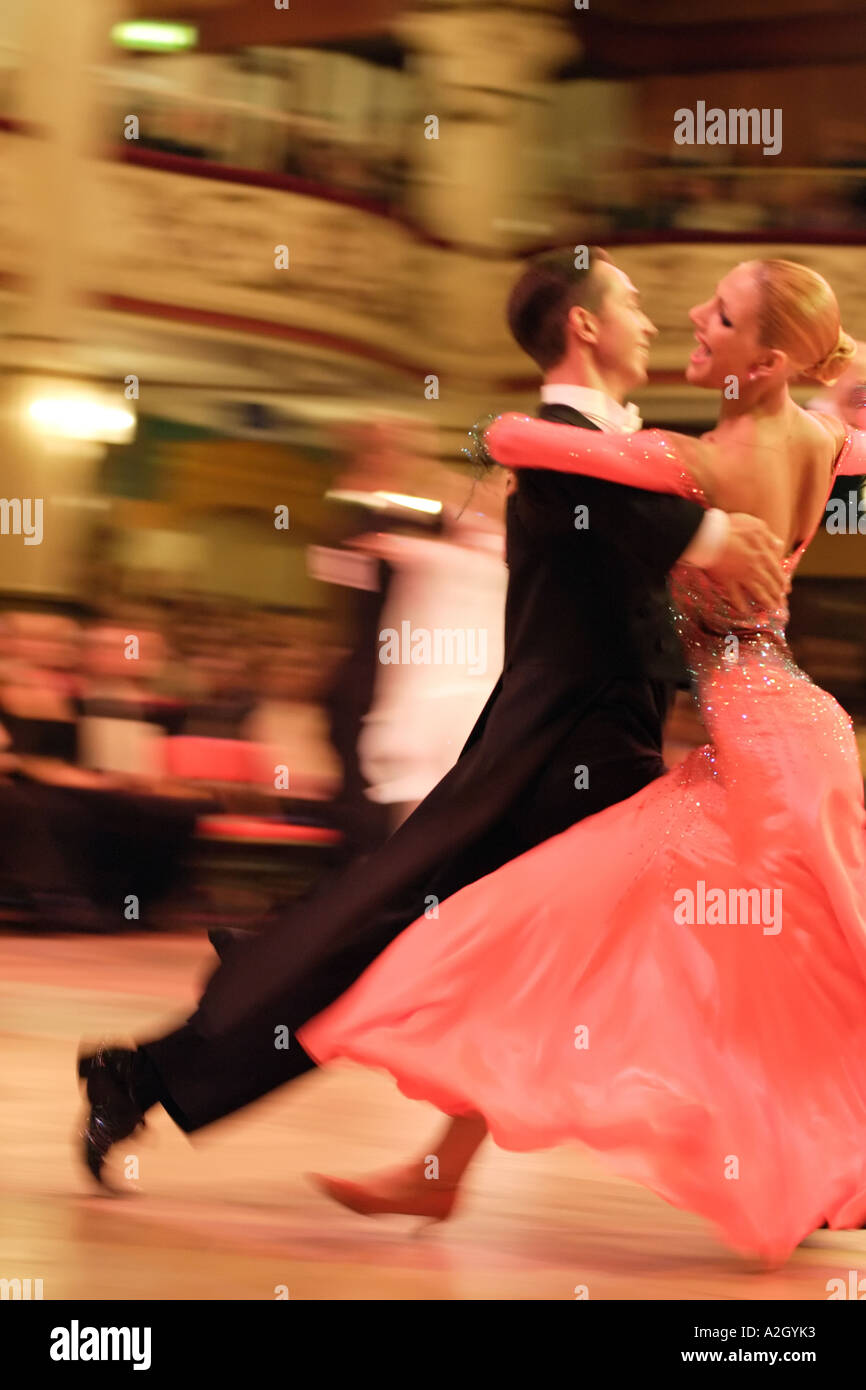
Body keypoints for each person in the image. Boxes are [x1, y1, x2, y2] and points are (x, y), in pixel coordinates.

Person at [77, 248, 784, 1181]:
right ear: (584, 324)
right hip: (566, 747)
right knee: (671, 936)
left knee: (414, 939)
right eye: (634, 303)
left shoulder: (599, 444)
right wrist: (719, 532)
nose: (653, 321)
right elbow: (622, 516)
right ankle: (785, 1154)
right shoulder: (560, 448)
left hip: (578, 739)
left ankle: (191, 1049)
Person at [299, 259, 866, 1265]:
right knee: (664, 951)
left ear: (765, 357)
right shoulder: (821, 443)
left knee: (576, 936)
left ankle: (452, 1168)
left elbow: (512, 438)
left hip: (762, 759)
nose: (692, 315)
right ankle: (443, 1168)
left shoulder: (688, 461)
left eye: (719, 314)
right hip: (790, 737)